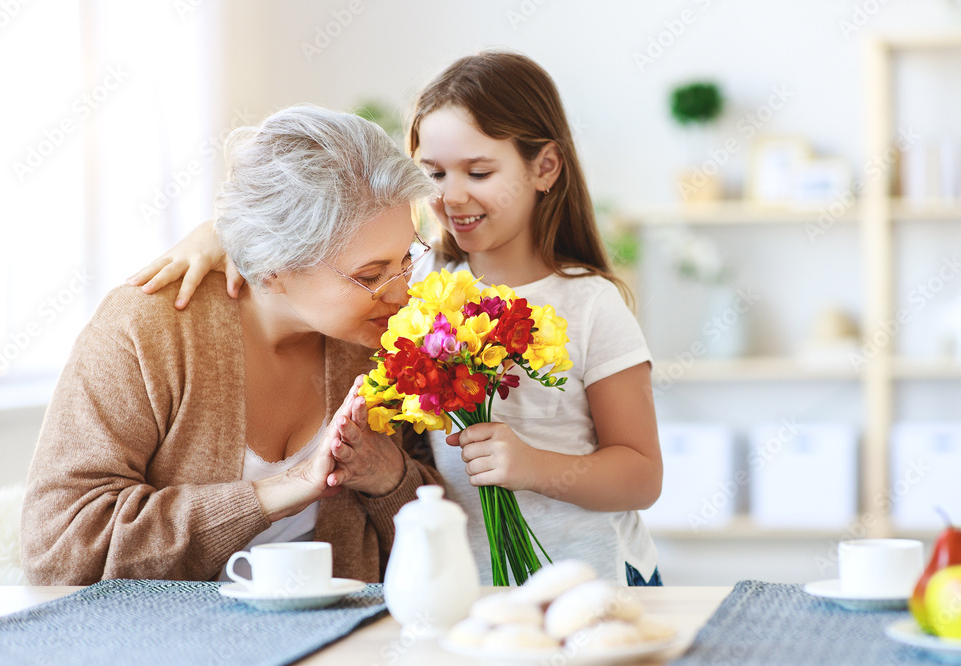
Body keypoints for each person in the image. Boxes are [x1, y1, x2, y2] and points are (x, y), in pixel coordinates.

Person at [129, 52, 664, 586]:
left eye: (478, 171)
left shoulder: (594, 304)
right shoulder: (412, 281)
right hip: (463, 582)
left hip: (596, 579)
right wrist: (218, 235)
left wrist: (533, 467)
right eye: (433, 173)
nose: (451, 196)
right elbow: (315, 225)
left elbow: (642, 476)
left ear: (544, 167)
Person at [21, 106, 444, 586]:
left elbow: (441, 540)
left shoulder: (378, 339)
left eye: (407, 257)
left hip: (337, 647)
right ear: (272, 269)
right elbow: (59, 551)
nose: (402, 291)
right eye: (371, 275)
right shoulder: (147, 331)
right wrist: (282, 489)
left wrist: (388, 475)